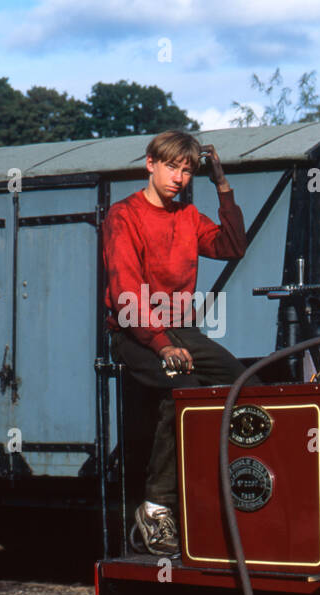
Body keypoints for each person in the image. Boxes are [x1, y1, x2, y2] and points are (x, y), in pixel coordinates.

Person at [102, 130, 248, 556]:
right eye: (171, 167)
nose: (179, 178)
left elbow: (232, 245)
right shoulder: (123, 216)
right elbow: (126, 290)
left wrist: (222, 184)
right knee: (177, 385)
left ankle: (209, 497)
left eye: (187, 171)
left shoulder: (186, 216)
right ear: (150, 163)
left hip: (181, 330)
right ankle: (155, 507)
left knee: (238, 384)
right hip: (134, 330)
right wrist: (162, 344)